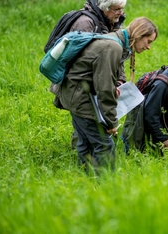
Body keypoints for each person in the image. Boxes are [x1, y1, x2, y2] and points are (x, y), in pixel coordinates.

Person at [51, 17, 158, 173]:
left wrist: (115, 84)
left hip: (72, 92)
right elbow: (105, 89)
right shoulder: (113, 47)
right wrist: (111, 122)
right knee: (104, 145)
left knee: (85, 141)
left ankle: (86, 180)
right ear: (138, 34)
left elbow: (98, 75)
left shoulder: (115, 40)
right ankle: (106, 185)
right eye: (148, 41)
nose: (148, 47)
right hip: (80, 96)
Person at [68, 0, 130, 148]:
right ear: (105, 8)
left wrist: (119, 80)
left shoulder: (114, 21)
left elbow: (118, 55)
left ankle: (86, 150)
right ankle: (80, 149)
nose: (121, 13)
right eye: (117, 9)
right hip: (81, 81)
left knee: (94, 115)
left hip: (99, 76)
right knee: (84, 116)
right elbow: (79, 59)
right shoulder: (85, 24)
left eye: (122, 8)